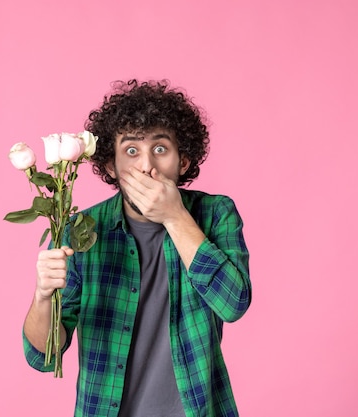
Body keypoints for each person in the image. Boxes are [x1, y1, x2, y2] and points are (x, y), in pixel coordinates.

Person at [22, 79, 252, 417]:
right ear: (111, 166)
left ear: (183, 162)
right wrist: (43, 296)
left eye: (160, 148)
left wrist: (175, 217)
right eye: (131, 151)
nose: (146, 166)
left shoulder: (216, 214)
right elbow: (43, 357)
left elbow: (233, 304)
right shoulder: (82, 231)